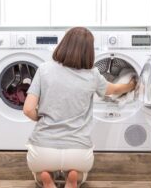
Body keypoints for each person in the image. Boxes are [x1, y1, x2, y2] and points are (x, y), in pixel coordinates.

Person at [23, 27, 136, 188]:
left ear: (63, 44)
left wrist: (40, 118)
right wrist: (132, 84)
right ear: (88, 52)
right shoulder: (93, 74)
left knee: (39, 173)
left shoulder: (44, 69)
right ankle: (73, 176)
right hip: (78, 152)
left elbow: (28, 109)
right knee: (81, 174)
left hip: (43, 149)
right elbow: (115, 90)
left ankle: (45, 177)